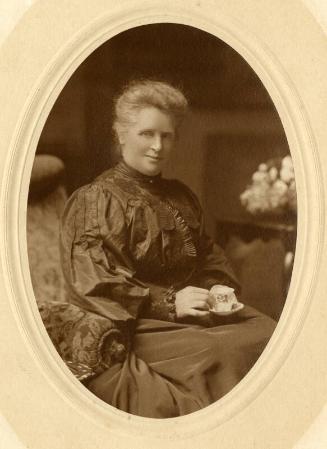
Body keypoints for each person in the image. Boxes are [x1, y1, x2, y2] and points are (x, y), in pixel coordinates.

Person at [57, 79, 276, 418]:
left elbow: (208, 253)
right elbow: (95, 281)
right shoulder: (96, 199)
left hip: (198, 313)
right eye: (147, 134)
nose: (157, 146)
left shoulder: (180, 196)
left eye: (167, 135)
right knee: (220, 351)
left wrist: (216, 286)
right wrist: (171, 304)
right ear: (121, 134)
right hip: (140, 322)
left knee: (268, 333)